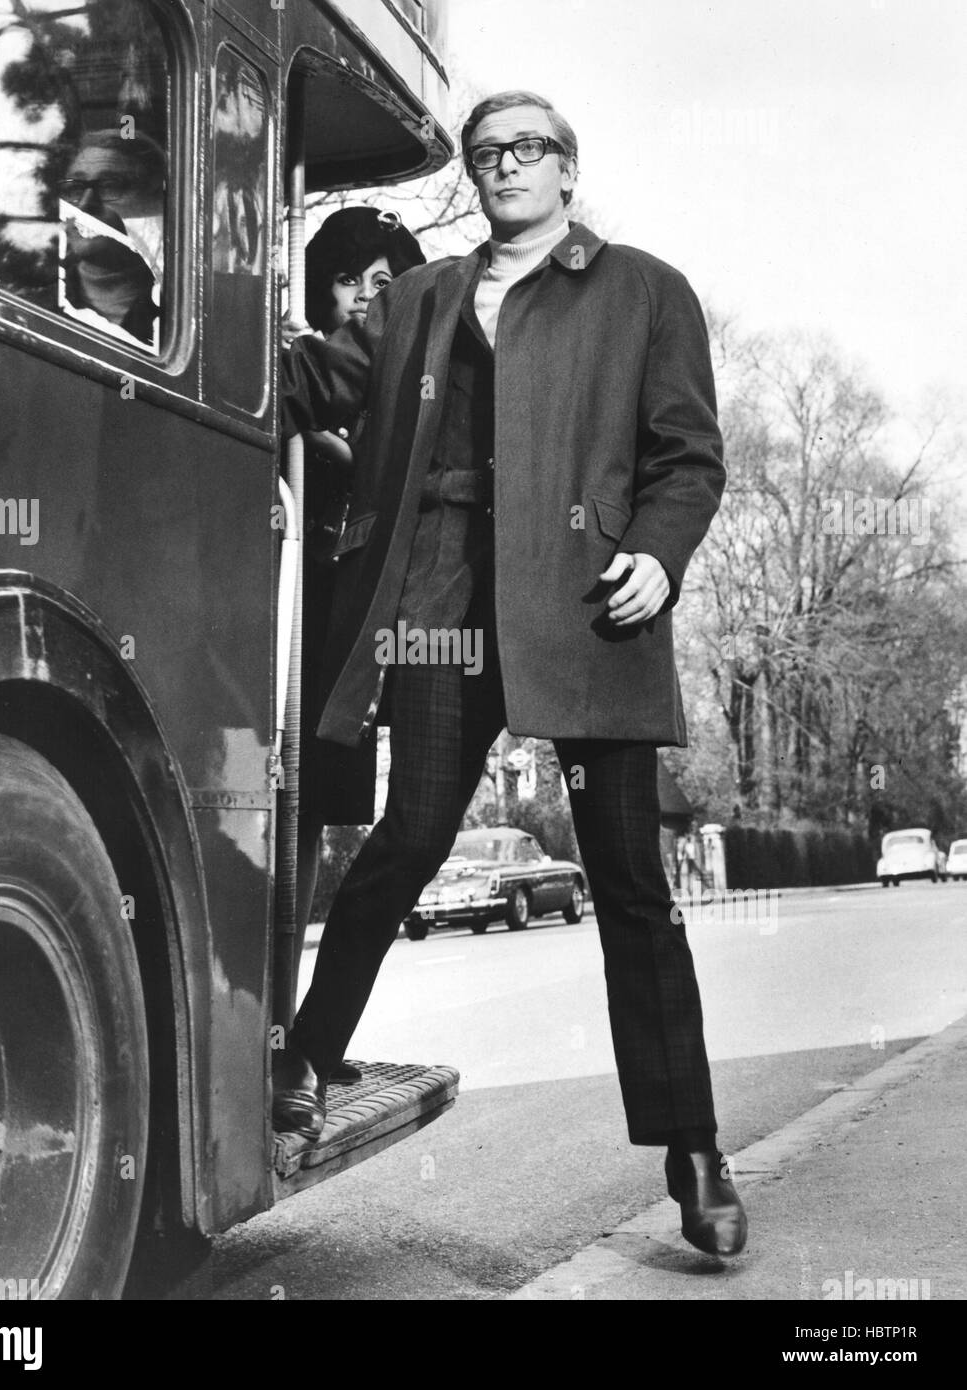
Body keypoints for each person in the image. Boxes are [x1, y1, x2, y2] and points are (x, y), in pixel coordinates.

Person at [276, 91, 747, 1257]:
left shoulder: (644, 290)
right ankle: (304, 1058)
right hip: (444, 607)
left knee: (631, 886)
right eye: (485, 154)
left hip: (587, 608)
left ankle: (693, 1148)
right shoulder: (420, 298)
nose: (503, 168)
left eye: (526, 149)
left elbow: (686, 457)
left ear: (566, 171)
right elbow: (295, 383)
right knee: (406, 841)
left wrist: (656, 552)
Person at [292, 207, 426, 1085]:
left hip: (344, 647)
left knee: (311, 826)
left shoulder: (404, 402)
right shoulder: (292, 370)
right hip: (281, 636)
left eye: (387, 285)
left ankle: (289, 1032)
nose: (367, 299)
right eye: (351, 279)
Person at [58, 130, 166, 349]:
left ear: (155, 203)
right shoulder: (37, 295)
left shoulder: (179, 309)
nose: (84, 205)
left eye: (110, 186)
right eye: (75, 189)